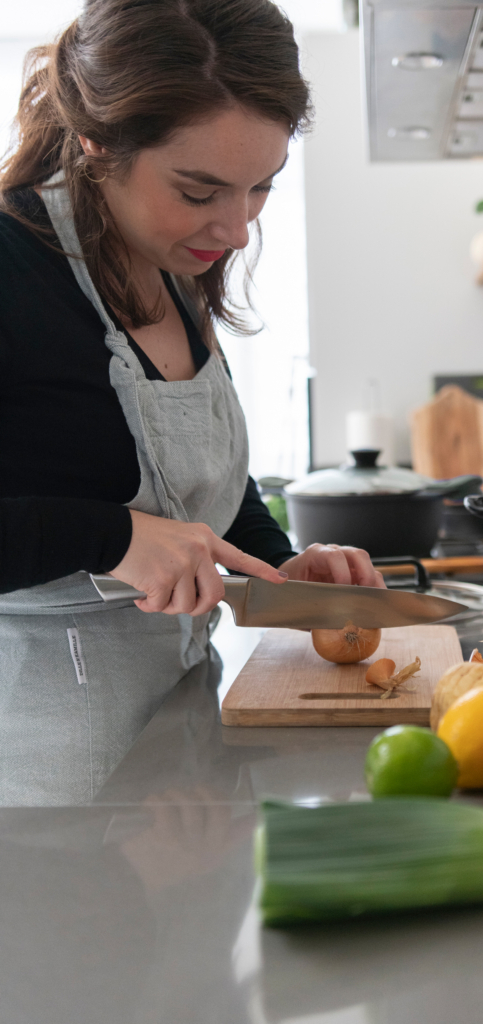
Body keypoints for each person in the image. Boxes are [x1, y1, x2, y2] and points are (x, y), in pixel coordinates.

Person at [0, 0, 385, 804]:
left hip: (181, 754)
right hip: (41, 794)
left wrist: (282, 568)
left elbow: (205, 488)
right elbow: (128, 519)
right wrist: (110, 537)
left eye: (260, 189)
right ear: (97, 144)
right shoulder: (11, 263)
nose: (238, 230)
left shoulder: (170, 264)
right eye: (200, 189)